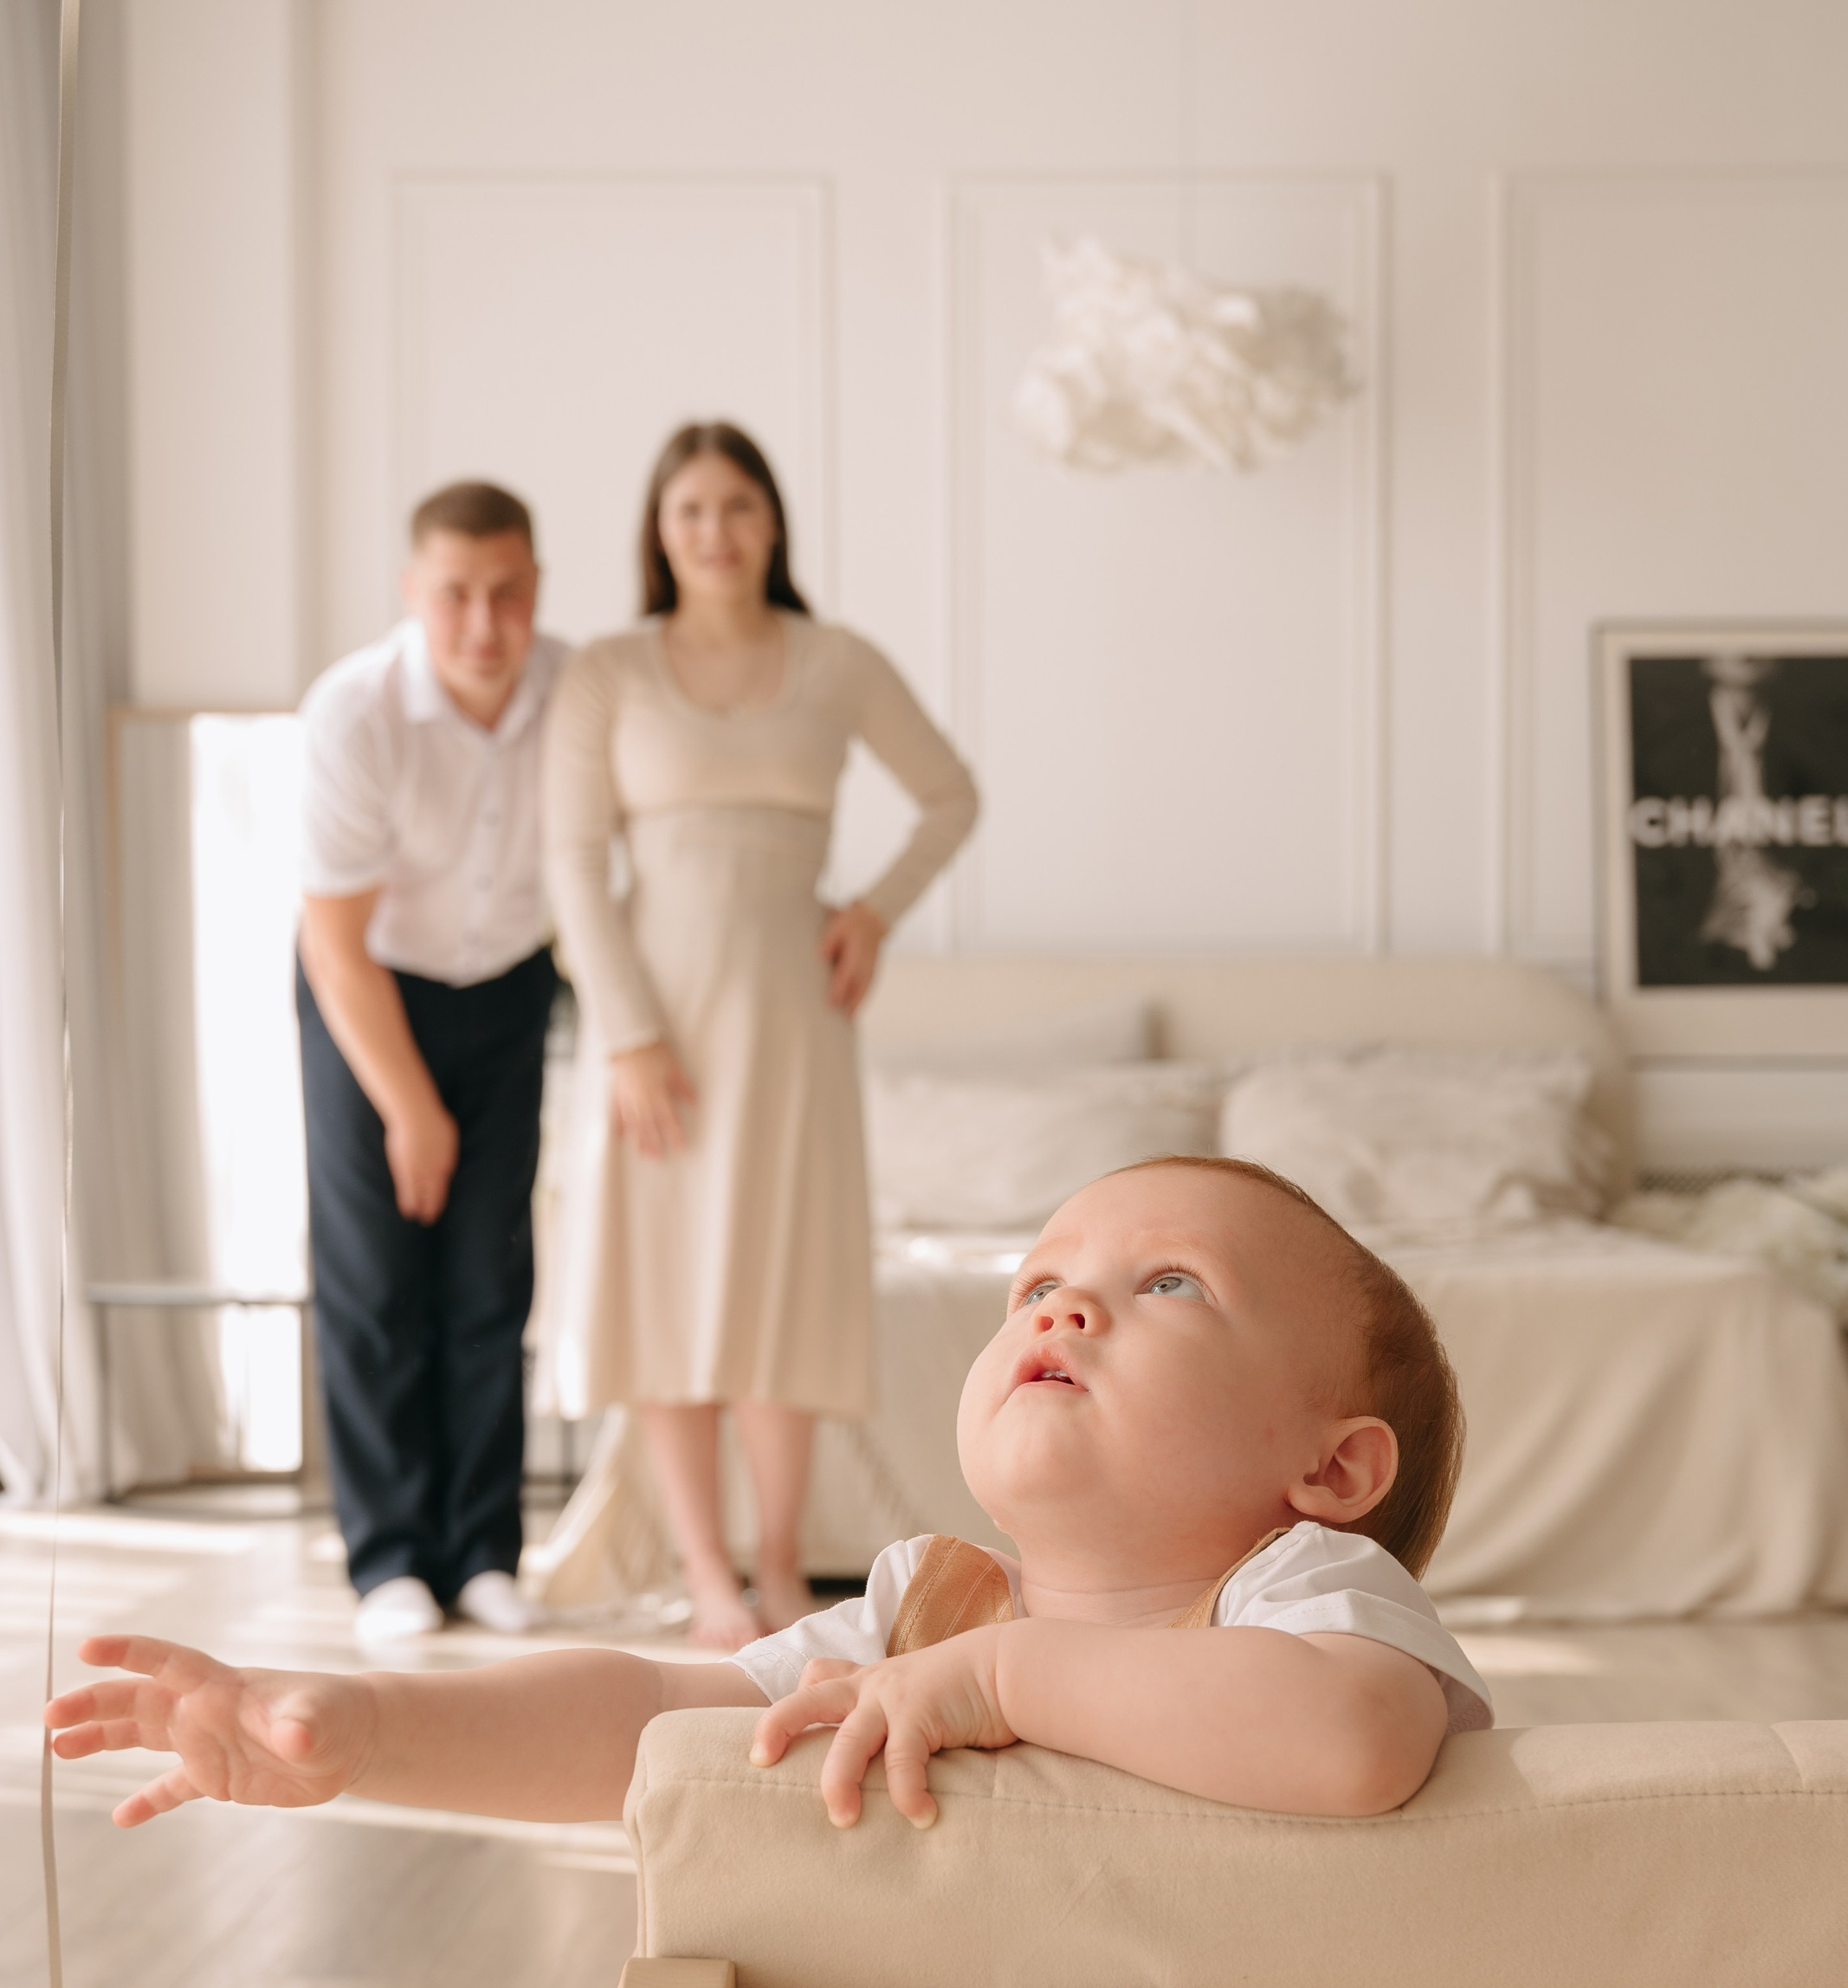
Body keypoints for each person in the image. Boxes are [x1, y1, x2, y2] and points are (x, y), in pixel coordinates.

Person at [44, 1156, 1492, 1835]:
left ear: (1330, 1470)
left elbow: (1348, 1740)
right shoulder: (921, 1611)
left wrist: (1003, 1679)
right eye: (1038, 1284)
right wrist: (369, 1735)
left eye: (1168, 1283)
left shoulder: (1303, 1595)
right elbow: (642, 1724)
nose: (1061, 1313)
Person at [541, 422, 979, 1649]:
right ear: (658, 531)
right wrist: (624, 1034)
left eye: (737, 507)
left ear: (772, 521)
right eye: (690, 511)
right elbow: (573, 865)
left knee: (779, 1284)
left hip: (792, 1014)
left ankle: (781, 1572)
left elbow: (952, 794)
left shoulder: (837, 661)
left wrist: (877, 914)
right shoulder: (607, 674)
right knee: (666, 1288)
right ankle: (706, 1573)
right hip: (652, 1016)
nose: (716, 532)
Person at [295, 481, 567, 1649]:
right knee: (374, 1280)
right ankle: (391, 1561)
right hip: (368, 984)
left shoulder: (578, 691)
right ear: (415, 593)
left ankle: (485, 1552)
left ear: (536, 590)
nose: (482, 623)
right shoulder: (354, 713)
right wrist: (409, 1106)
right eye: (454, 594)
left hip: (509, 988)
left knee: (488, 1276)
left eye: (506, 592)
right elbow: (332, 939)